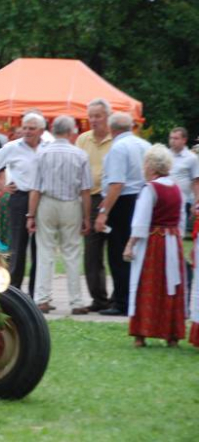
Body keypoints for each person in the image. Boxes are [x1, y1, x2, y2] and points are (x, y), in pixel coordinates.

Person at [122, 145, 186, 348]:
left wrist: (130, 245)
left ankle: (141, 334)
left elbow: (140, 222)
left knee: (147, 284)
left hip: (154, 242)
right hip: (173, 241)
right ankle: (171, 335)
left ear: (150, 165)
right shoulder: (176, 188)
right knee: (171, 286)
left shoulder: (150, 189)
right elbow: (181, 220)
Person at [27, 116, 92, 314]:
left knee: (45, 251)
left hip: (47, 202)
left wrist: (30, 215)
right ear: (71, 131)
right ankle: (76, 301)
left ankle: (42, 298)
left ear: (53, 130)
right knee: (72, 252)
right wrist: (86, 217)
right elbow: (86, 190)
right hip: (71, 203)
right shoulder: (80, 155)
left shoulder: (42, 153)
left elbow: (35, 188)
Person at [0, 112, 45, 294]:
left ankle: (35, 292)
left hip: (42, 199)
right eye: (24, 127)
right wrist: (1, 187)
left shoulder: (47, 147)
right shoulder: (12, 147)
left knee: (39, 247)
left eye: (31, 128)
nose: (27, 131)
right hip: (20, 197)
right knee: (17, 246)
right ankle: (13, 290)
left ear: (41, 130)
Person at [94, 112, 150, 316]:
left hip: (123, 202)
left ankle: (122, 301)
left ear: (112, 129)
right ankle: (136, 298)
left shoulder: (118, 148)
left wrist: (103, 212)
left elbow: (117, 184)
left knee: (118, 253)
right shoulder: (145, 145)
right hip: (142, 198)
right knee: (136, 251)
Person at [75, 98, 114, 312]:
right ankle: (98, 299)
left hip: (113, 199)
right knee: (91, 254)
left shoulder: (116, 140)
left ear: (107, 117)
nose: (93, 120)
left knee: (116, 252)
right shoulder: (82, 140)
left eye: (98, 116)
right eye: (90, 116)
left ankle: (119, 299)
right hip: (90, 198)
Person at [167, 127, 199, 225]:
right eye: (171, 138)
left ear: (184, 140)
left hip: (181, 201)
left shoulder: (191, 158)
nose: (172, 141)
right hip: (163, 200)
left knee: (177, 231)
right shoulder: (164, 155)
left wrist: (196, 203)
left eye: (176, 138)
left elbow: (196, 182)